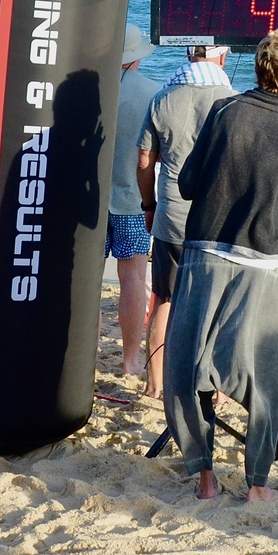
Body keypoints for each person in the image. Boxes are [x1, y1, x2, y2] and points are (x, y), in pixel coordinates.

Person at [164, 28, 278, 502]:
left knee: (188, 364)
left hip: (205, 253)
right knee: (264, 375)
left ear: (257, 68)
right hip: (262, 264)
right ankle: (256, 485)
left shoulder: (224, 111)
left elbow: (189, 183)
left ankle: (204, 476)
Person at [136, 43, 236, 399]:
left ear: (189, 55)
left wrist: (149, 205)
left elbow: (145, 160)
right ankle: (217, 388)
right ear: (222, 58)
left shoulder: (163, 99)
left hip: (172, 217)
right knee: (218, 304)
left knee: (163, 299)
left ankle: (155, 384)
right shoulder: (234, 100)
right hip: (218, 220)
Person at [105, 23, 159, 379]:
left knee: (84, 282)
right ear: (136, 57)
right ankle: (129, 362)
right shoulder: (153, 93)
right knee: (134, 280)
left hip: (88, 202)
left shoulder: (87, 86)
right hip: (132, 200)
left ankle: (77, 359)